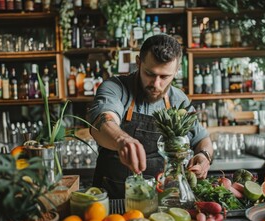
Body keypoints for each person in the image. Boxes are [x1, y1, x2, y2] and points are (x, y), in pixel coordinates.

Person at [88, 34, 214, 199]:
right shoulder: (115, 88)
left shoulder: (179, 100)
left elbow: (202, 139)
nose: (156, 84)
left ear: (176, 71)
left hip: (162, 200)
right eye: (150, 73)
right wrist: (121, 140)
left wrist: (204, 156)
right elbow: (101, 121)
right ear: (138, 62)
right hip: (112, 199)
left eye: (164, 77)